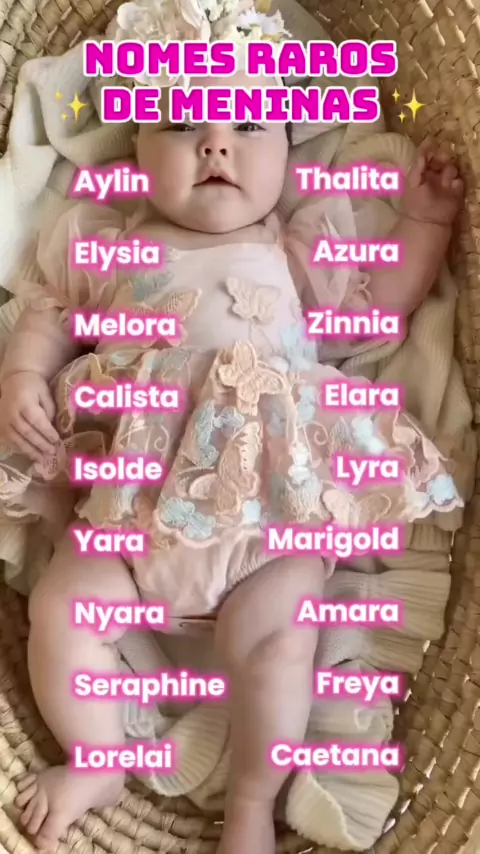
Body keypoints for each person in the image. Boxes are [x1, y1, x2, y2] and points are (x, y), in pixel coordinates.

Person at [0, 9, 464, 851]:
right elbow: (49, 313)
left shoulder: (294, 250)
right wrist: (23, 377)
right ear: (137, 147)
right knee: (64, 606)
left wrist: (424, 225)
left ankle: (252, 801)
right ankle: (97, 756)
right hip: (134, 519)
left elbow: (380, 306)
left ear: (288, 147)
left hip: (268, 521)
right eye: (181, 123)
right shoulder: (110, 245)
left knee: (281, 640)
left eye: (248, 125)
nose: (215, 142)